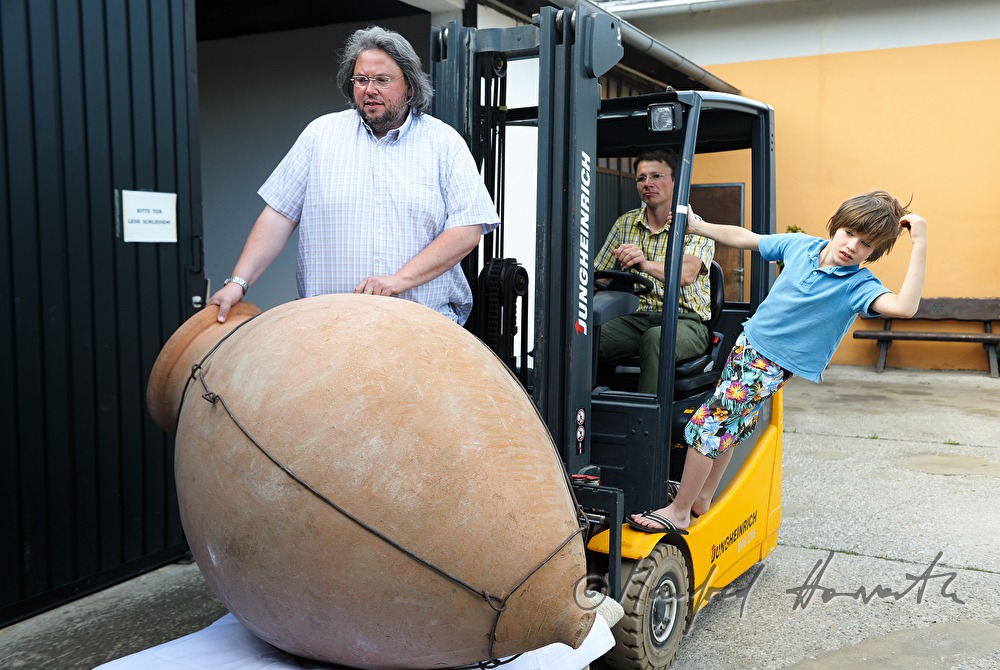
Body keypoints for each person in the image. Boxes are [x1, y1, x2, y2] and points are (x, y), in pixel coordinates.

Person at [629, 189, 928, 533]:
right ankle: (702, 498)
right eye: (849, 233)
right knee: (730, 426)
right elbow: (747, 238)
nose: (851, 246)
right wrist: (699, 227)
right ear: (835, 224)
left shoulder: (858, 285)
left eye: (865, 244)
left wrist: (919, 242)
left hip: (769, 365)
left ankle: (679, 511)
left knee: (707, 426)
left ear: (873, 253)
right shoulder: (802, 246)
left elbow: (905, 307)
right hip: (748, 345)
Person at [208, 26, 500, 324]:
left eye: (382, 80)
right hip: (327, 327)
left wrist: (400, 280)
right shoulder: (319, 136)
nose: (369, 89)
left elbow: (467, 229)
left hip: (420, 327)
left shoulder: (443, 143)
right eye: (361, 80)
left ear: (410, 87)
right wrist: (238, 283)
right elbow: (278, 217)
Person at [593, 149, 715, 394]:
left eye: (656, 176)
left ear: (675, 182)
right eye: (641, 178)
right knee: (585, 335)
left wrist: (644, 265)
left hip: (686, 322)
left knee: (656, 338)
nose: (647, 183)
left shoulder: (695, 227)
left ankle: (647, 414)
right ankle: (581, 407)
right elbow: (599, 275)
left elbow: (686, 274)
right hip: (634, 319)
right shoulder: (625, 224)